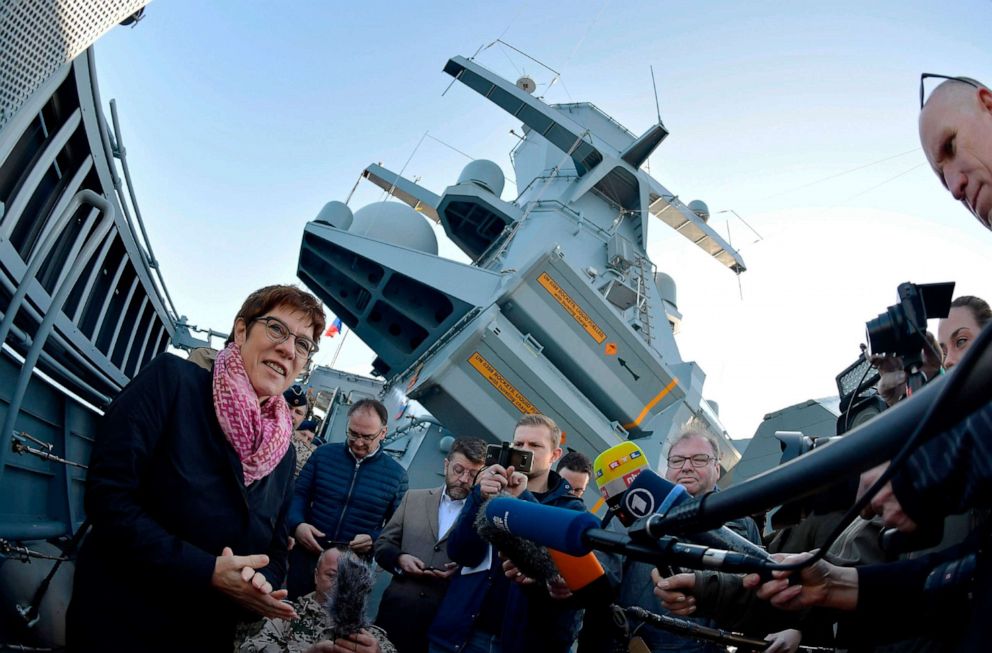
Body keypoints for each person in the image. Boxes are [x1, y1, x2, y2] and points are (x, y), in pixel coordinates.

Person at [67, 285, 325, 652]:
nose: (288, 348)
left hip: (205, 635)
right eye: (277, 329)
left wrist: (259, 587)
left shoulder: (283, 453)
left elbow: (275, 548)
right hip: (120, 625)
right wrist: (206, 571)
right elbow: (108, 498)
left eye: (303, 344)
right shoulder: (172, 383)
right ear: (241, 331)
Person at [428, 414, 585, 653]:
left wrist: (522, 499)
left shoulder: (570, 509)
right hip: (459, 632)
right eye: (519, 444)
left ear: (555, 455)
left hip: (515, 642)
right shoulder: (490, 489)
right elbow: (461, 553)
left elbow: (557, 575)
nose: (524, 451)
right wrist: (478, 497)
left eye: (535, 446)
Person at [603, 422, 764, 653]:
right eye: (677, 460)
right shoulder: (635, 511)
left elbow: (756, 594)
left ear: (717, 468)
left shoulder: (742, 524)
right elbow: (606, 571)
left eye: (699, 459)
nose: (686, 467)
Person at [374, 437, 486, 653]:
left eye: (473, 475)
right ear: (446, 464)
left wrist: (461, 571)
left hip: (443, 624)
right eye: (458, 470)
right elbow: (383, 544)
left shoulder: (483, 515)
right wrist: (400, 559)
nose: (463, 479)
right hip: (396, 613)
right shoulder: (413, 499)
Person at [288, 398, 408, 598]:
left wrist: (374, 538)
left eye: (367, 437)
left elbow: (397, 527)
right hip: (307, 556)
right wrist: (297, 525)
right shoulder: (323, 455)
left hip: (352, 568)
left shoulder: (397, 476)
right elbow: (297, 495)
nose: (359, 442)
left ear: (383, 433)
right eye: (353, 434)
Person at [240, 547, 395, 653]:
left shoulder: (371, 635)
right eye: (332, 575)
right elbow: (246, 649)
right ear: (316, 575)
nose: (339, 583)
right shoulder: (284, 616)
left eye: (347, 578)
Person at [286, 384, 317, 477]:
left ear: (303, 419)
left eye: (298, 412)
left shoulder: (306, 455)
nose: (291, 414)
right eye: (288, 407)